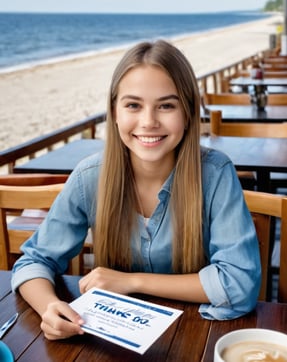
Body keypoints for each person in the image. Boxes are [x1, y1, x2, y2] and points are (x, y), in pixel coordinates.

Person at [11, 40, 261, 340]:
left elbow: (239, 284)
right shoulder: (90, 177)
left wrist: (133, 282)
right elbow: (34, 261)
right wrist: (50, 307)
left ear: (188, 113)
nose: (148, 122)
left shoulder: (216, 174)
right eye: (133, 105)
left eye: (166, 105)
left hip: (198, 336)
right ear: (115, 112)